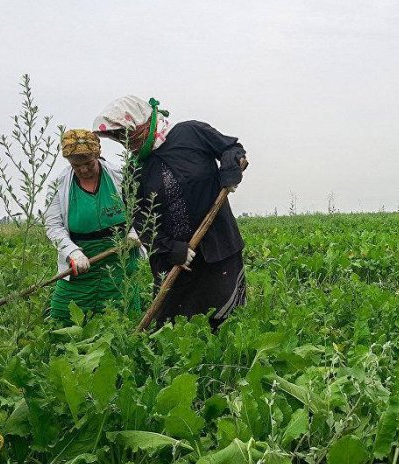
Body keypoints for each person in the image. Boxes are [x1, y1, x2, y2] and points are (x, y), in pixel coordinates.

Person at [93, 96, 247, 330]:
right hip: (174, 261)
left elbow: (231, 148)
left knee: (226, 323)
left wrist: (230, 171)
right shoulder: (134, 171)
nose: (126, 143)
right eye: (119, 138)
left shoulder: (191, 133)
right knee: (175, 328)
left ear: (143, 122)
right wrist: (170, 247)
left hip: (218, 246)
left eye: (128, 134)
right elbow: (140, 218)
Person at [45, 129, 142, 325]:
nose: (83, 170)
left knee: (120, 313)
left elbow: (140, 209)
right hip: (83, 260)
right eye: (76, 165)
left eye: (88, 163)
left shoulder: (121, 177)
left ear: (97, 154)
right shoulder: (58, 185)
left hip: (119, 255)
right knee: (63, 313)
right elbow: (53, 225)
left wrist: (134, 232)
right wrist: (73, 253)